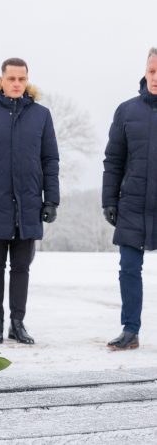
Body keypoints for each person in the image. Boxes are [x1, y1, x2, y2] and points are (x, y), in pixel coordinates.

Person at [0, 58, 59, 345]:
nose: (17, 83)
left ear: (27, 80)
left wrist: (51, 199)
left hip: (28, 204)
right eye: (11, 78)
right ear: (1, 80)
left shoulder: (41, 115)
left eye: (22, 79)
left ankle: (18, 323)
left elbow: (50, 159)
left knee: (22, 266)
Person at [102, 48, 157, 351]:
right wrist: (109, 199)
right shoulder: (127, 111)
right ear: (145, 71)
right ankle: (130, 330)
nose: (155, 77)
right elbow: (113, 160)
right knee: (129, 268)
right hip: (133, 203)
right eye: (152, 70)